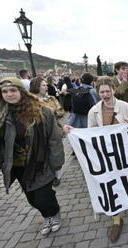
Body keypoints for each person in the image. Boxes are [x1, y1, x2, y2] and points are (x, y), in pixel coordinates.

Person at [0, 77, 65, 236]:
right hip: (18, 165)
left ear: (21, 91)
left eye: (13, 90)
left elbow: (54, 138)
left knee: (43, 196)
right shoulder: (2, 114)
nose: (9, 94)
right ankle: (46, 216)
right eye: (5, 91)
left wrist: (56, 161)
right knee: (32, 199)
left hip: (40, 162)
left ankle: (54, 214)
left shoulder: (42, 111)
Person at [88, 76, 128, 242]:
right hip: (105, 154)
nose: (105, 94)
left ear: (114, 90)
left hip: (124, 152)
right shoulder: (93, 111)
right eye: (102, 91)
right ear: (98, 92)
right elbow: (90, 134)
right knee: (110, 185)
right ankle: (116, 219)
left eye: (108, 91)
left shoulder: (125, 106)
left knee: (126, 181)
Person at [30, 77, 65, 187]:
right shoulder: (31, 100)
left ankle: (57, 176)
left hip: (55, 128)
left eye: (46, 85)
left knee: (56, 150)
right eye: (43, 85)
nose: (46, 87)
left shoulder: (51, 99)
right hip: (39, 132)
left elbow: (61, 111)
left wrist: (51, 113)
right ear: (36, 86)